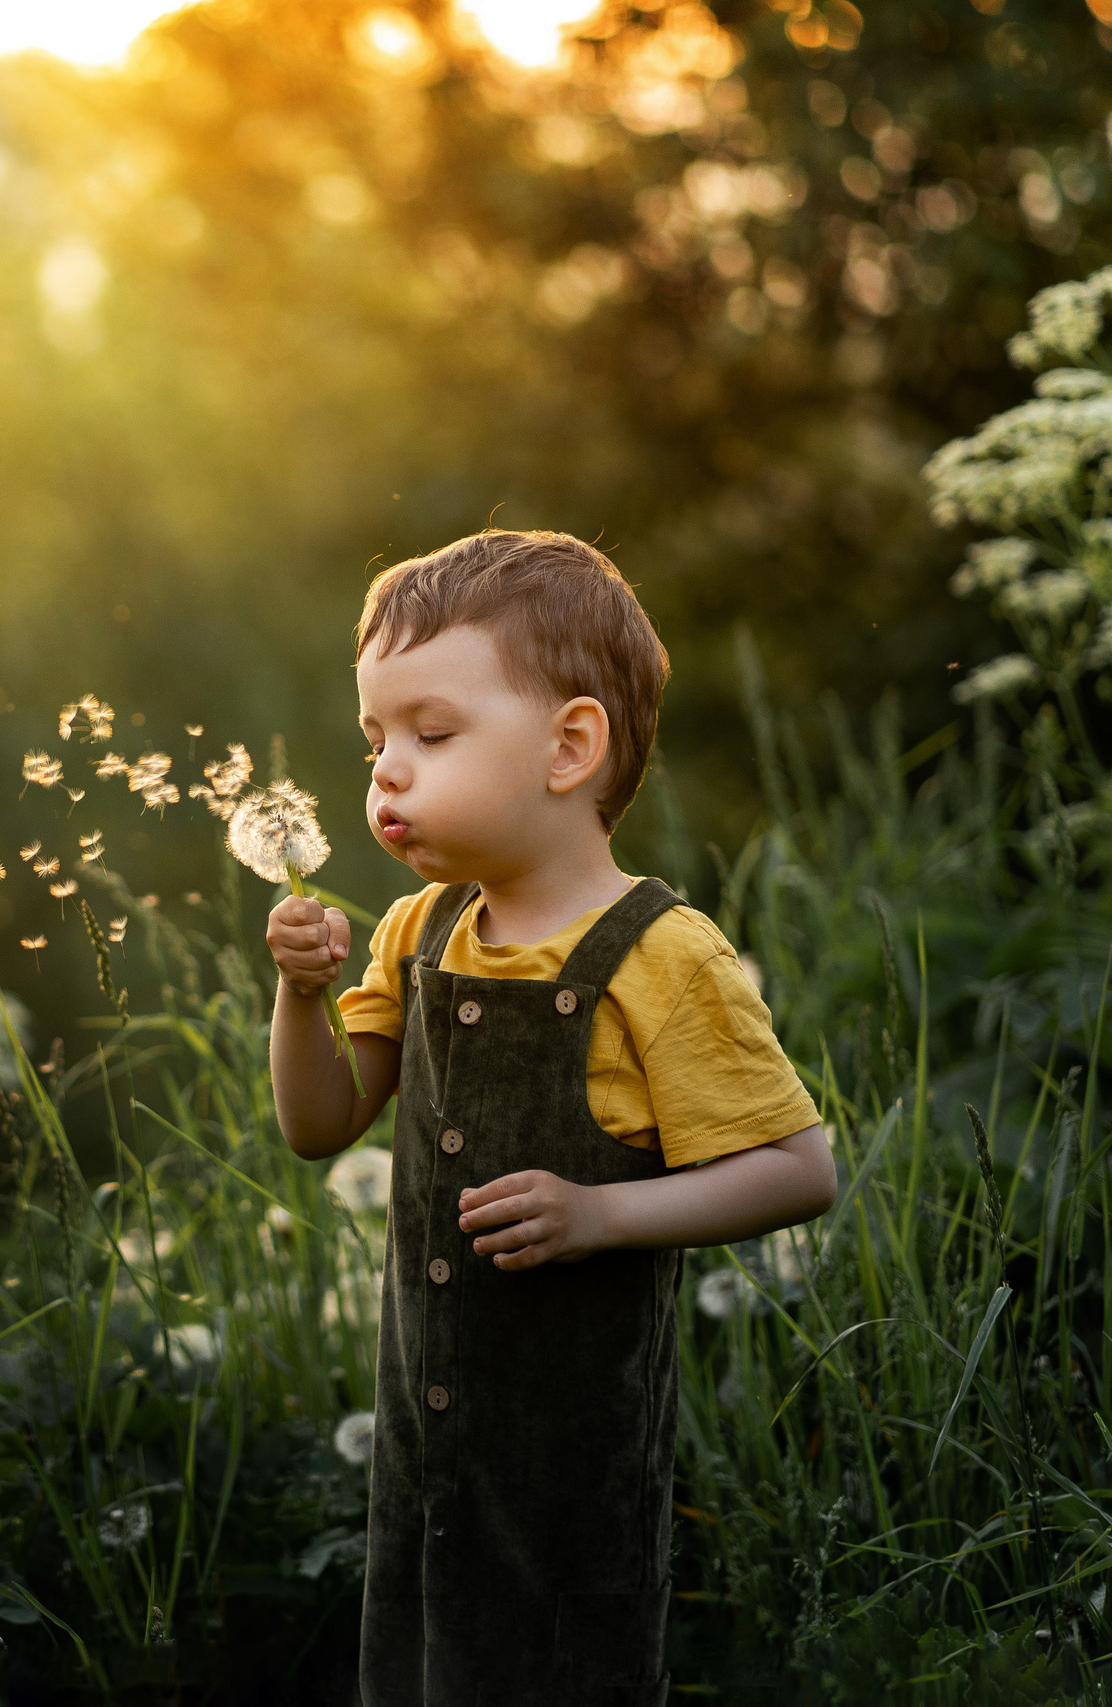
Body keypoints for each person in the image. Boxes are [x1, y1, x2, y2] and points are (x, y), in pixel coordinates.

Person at [265, 530, 837, 1707]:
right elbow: (318, 1125)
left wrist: (600, 1215)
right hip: (427, 1465)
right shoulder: (416, 932)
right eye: (374, 741)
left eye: (431, 735)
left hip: (570, 1481)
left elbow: (798, 1169)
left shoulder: (662, 957)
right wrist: (299, 997)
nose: (386, 774)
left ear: (571, 747)